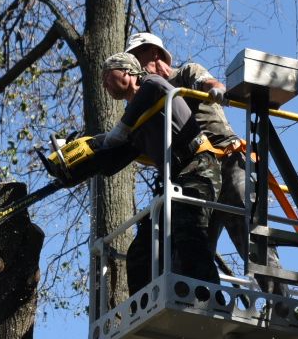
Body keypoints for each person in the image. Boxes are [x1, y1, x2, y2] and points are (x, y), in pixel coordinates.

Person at [91, 51, 221, 291]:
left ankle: (209, 300)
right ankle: (144, 305)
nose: (104, 84)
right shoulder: (136, 122)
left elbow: (153, 87)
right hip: (174, 181)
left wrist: (121, 128)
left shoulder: (151, 85)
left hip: (198, 167)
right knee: (140, 253)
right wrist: (88, 152)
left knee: (188, 232)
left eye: (107, 75)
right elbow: (113, 161)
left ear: (128, 71)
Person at [124, 32, 251, 273]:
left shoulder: (184, 74)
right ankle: (202, 293)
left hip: (227, 158)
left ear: (154, 53)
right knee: (191, 249)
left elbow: (207, 81)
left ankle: (277, 294)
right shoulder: (147, 102)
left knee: (251, 240)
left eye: (135, 57)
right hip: (194, 173)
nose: (133, 66)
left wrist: (217, 89)